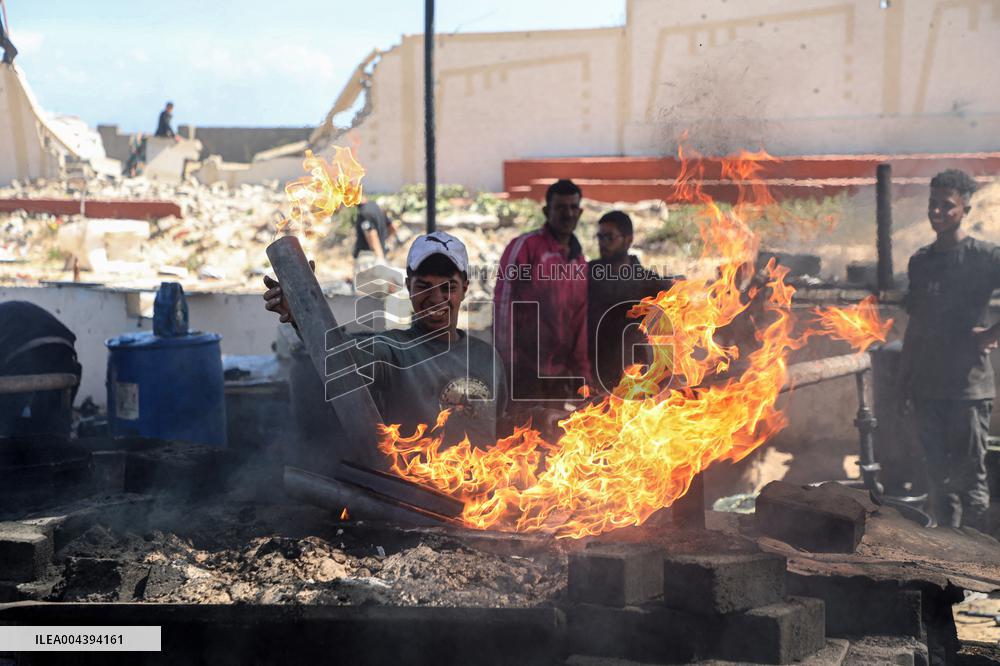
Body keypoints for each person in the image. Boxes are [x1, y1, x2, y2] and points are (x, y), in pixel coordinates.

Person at [264, 231, 507, 448]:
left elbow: (502, 424)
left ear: (464, 288)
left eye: (448, 287)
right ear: (408, 286)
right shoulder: (390, 350)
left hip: (486, 496)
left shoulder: (487, 357)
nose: (436, 298)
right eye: (424, 286)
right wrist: (303, 313)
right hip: (419, 495)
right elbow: (338, 358)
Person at [899, 168, 999, 530]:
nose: (937, 213)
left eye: (947, 206)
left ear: (966, 208)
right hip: (927, 389)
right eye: (932, 205)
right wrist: (904, 381)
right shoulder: (921, 262)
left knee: (970, 482)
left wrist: (991, 332)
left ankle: (978, 567)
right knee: (938, 484)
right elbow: (916, 326)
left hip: (967, 391)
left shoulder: (984, 257)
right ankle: (948, 570)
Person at [493, 179, 591, 419]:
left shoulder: (580, 262)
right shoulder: (525, 246)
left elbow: (579, 321)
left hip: (559, 375)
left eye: (572, 208)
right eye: (560, 207)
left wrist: (582, 374)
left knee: (555, 444)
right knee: (519, 441)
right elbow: (503, 302)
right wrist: (506, 362)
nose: (567, 214)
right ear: (547, 211)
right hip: (523, 370)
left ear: (580, 212)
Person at [587, 211, 675, 392]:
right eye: (600, 237)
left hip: (636, 379)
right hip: (593, 378)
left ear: (628, 239)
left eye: (609, 237)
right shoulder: (585, 277)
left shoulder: (650, 283)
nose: (603, 243)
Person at [0, 302, 81, 438]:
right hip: (65, 355)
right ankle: (57, 443)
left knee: (9, 424)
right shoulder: (11, 311)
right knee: (51, 421)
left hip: (27, 356)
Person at [353, 198, 396, 266]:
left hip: (369, 258)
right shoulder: (375, 206)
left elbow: (371, 234)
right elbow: (392, 227)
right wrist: (386, 240)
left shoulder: (364, 213)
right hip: (379, 254)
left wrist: (380, 258)